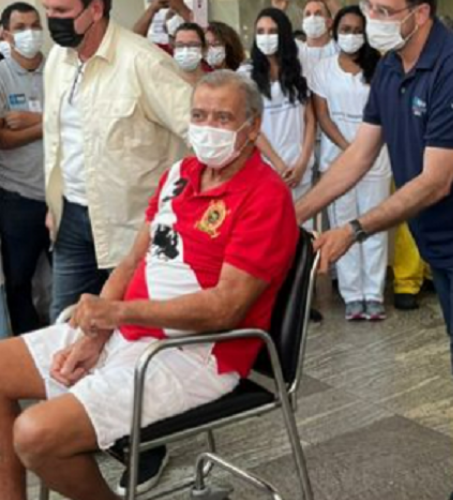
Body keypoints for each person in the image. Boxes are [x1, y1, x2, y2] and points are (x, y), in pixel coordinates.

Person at [0, 70, 300, 500]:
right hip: (128, 332)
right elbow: (134, 258)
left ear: (252, 128)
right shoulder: (180, 173)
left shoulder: (264, 196)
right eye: (199, 115)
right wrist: (95, 334)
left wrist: (118, 314)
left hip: (196, 354)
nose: (207, 127)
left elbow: (224, 309)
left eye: (222, 118)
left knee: (35, 434)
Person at [297, 0, 453, 498]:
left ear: (421, 11)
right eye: (370, 6)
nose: (374, 18)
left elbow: (435, 181)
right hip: (443, 237)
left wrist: (355, 229)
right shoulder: (389, 67)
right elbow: (360, 154)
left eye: (386, 8)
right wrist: (293, 213)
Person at [43, 0, 193, 492]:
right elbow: (60, 141)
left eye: (63, 8)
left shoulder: (143, 61)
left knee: (129, 342)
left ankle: (143, 444)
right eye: (49, 7)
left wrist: (177, 210)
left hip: (131, 231)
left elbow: (198, 133)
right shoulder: (57, 61)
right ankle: (84, 429)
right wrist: (54, 201)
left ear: (96, 10)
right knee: (68, 329)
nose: (54, 18)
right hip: (72, 220)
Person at [310, 6, 391, 321]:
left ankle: (373, 294)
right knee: (344, 227)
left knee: (372, 226)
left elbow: (387, 113)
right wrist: (349, 148)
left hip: (377, 160)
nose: (352, 36)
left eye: (358, 30)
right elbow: (322, 115)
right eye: (346, 29)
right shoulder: (323, 70)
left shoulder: (382, 67)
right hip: (338, 161)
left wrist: (366, 149)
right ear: (335, 32)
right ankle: (352, 295)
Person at [0, 2, 48, 335]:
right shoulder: (1, 75)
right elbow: (3, 139)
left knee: (75, 277)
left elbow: (85, 124)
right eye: (20, 28)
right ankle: (26, 349)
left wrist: (34, 123)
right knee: (18, 280)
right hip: (18, 197)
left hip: (64, 197)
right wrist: (51, 123)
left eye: (34, 25)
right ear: (5, 34)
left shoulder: (60, 69)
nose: (29, 33)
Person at [252, 9, 317, 212]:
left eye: (272, 31)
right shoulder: (246, 75)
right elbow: (251, 128)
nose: (266, 37)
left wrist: (303, 162)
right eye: (260, 31)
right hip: (267, 169)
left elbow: (310, 119)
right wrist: (279, 165)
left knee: (301, 230)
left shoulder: (300, 69)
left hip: (300, 167)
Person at [298, 0, 339, 76]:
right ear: (303, 22)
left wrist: (331, 3)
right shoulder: (297, 52)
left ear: (329, 22)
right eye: (308, 14)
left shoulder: (339, 49)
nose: (312, 18)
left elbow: (348, 22)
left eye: (318, 14)